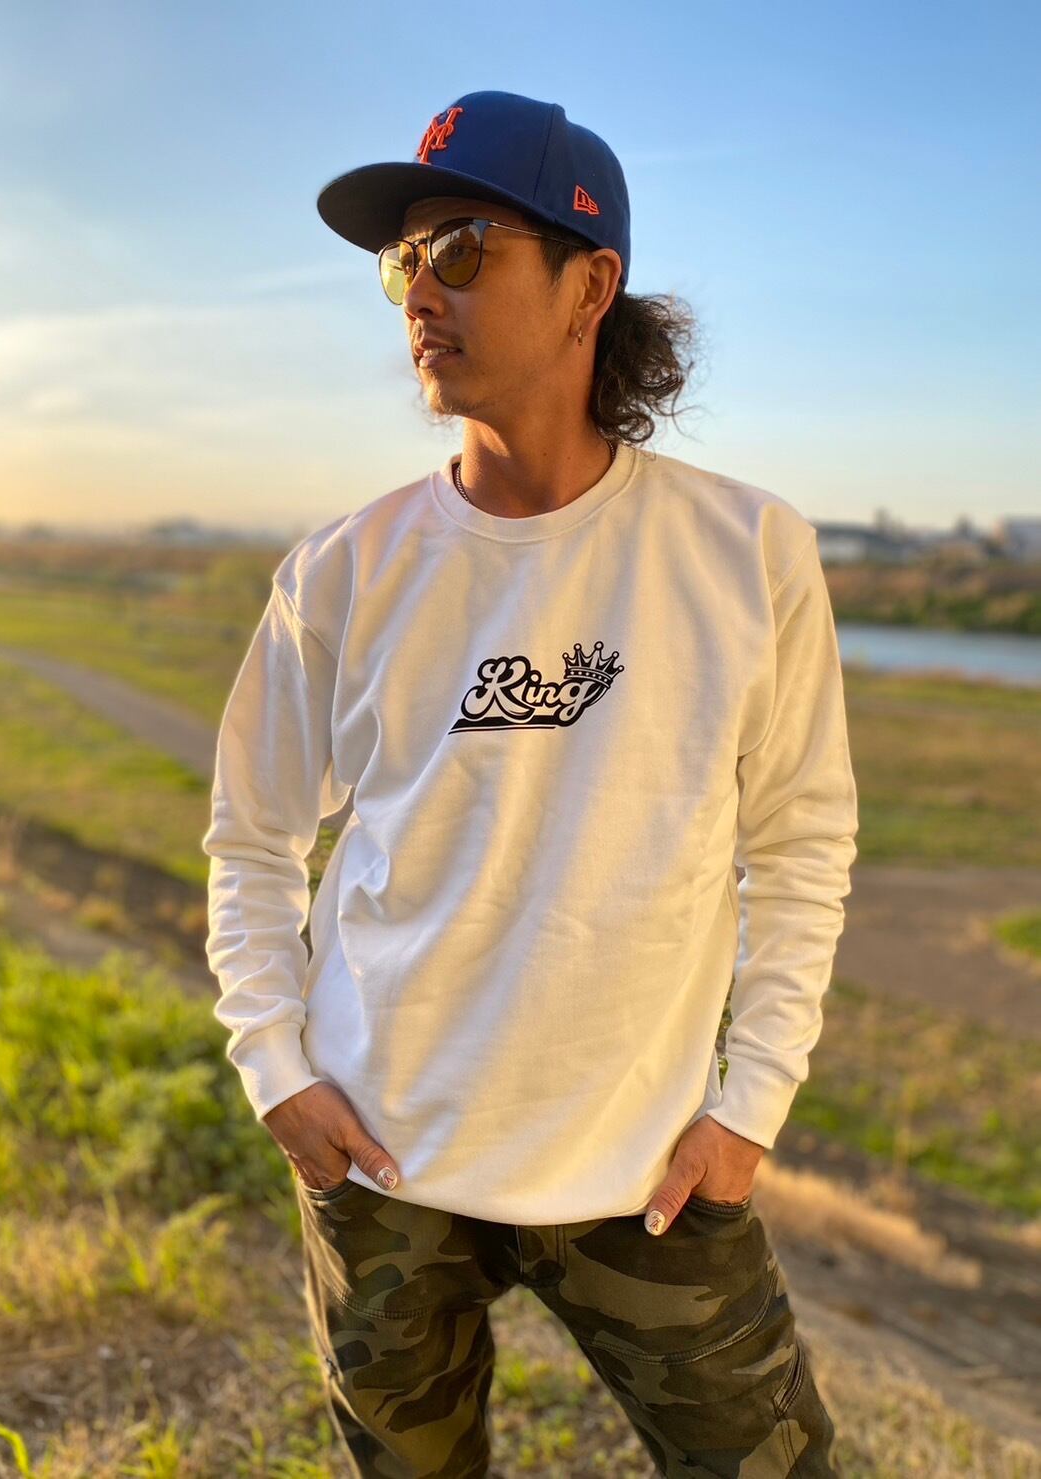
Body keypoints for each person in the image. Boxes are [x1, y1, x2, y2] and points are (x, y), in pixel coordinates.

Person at [202, 88, 856, 1477]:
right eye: (403, 260)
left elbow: (801, 842)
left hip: (643, 1173)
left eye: (461, 251)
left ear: (589, 286)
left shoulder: (744, 552)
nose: (416, 294)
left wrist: (749, 1106)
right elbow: (252, 839)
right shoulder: (343, 570)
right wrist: (275, 1069)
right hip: (381, 1164)